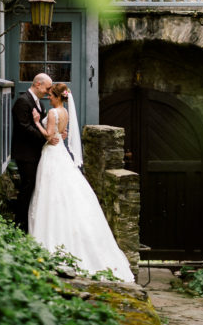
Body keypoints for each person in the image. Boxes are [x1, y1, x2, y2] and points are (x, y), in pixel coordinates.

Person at [29, 83, 135, 283]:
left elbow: (49, 136)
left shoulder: (52, 112)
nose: (48, 98)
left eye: (50, 95)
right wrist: (58, 134)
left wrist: (36, 122)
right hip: (61, 153)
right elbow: (61, 134)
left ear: (58, 96)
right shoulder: (65, 112)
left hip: (52, 154)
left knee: (50, 193)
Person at [10, 73, 60, 233]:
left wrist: (54, 133)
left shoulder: (40, 104)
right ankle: (19, 225)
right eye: (47, 88)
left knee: (33, 187)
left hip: (36, 153)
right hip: (25, 154)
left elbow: (45, 126)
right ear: (38, 84)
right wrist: (46, 138)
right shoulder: (22, 101)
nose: (48, 91)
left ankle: (28, 224)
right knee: (27, 187)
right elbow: (25, 127)